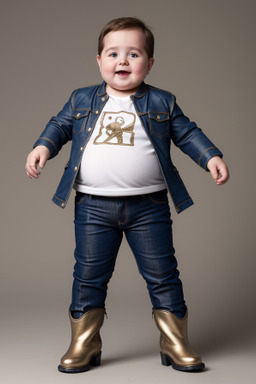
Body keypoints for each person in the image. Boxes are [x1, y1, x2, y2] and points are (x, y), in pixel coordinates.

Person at [25, 17, 229, 374]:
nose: (122, 61)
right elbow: (59, 125)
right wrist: (43, 146)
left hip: (148, 207)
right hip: (92, 206)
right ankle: (84, 343)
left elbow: (186, 133)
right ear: (99, 60)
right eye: (113, 53)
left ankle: (174, 340)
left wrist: (210, 155)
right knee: (88, 275)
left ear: (149, 64)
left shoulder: (162, 101)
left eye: (133, 54)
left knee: (163, 274)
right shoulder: (82, 98)